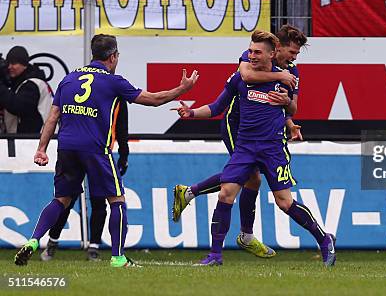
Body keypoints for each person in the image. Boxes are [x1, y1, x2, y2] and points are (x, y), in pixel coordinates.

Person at [14, 34, 199, 268]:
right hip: (95, 149)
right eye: (117, 56)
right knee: (117, 200)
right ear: (112, 57)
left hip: (66, 147)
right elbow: (153, 99)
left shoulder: (69, 79)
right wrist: (182, 89)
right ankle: (118, 257)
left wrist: (41, 148)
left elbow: (52, 117)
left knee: (60, 200)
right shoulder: (114, 81)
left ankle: (33, 241)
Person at [173, 30, 335, 267]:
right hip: (245, 145)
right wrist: (191, 113)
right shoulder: (242, 75)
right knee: (226, 193)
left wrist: (287, 103)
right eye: (250, 51)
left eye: (257, 52)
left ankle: (324, 239)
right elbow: (218, 106)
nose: (251, 55)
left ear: (272, 54)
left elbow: (291, 109)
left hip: (272, 148)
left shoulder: (287, 76)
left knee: (284, 202)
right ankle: (215, 255)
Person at [40, 99, 130, 262]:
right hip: (83, 152)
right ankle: (53, 241)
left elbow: (121, 126)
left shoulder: (116, 95)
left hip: (99, 153)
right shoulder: (93, 90)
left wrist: (124, 153)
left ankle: (93, 246)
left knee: (97, 200)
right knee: (68, 199)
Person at [0, 46, 54, 134]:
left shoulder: (33, 84)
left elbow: (18, 106)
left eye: (14, 63)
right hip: (31, 141)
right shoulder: (20, 83)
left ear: (24, 65)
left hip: (37, 140)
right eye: (8, 63)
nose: (9, 67)